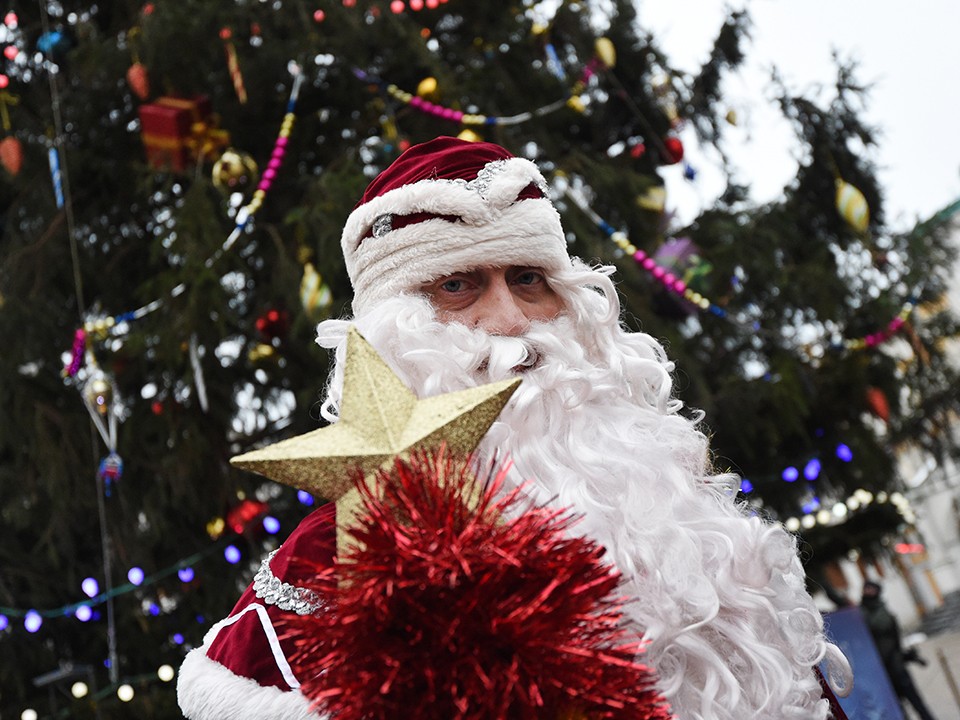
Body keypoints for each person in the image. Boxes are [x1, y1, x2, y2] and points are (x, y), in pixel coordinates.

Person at [178, 137, 851, 719]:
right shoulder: (340, 561)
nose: (511, 320)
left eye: (529, 279)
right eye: (458, 286)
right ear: (393, 331)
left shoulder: (681, 513)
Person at [860, 581, 937, 720]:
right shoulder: (860, 614)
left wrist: (911, 657)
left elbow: (895, 643)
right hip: (881, 672)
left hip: (897, 667)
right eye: (866, 588)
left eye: (871, 589)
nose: (868, 591)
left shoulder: (883, 612)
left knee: (917, 703)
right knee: (896, 709)